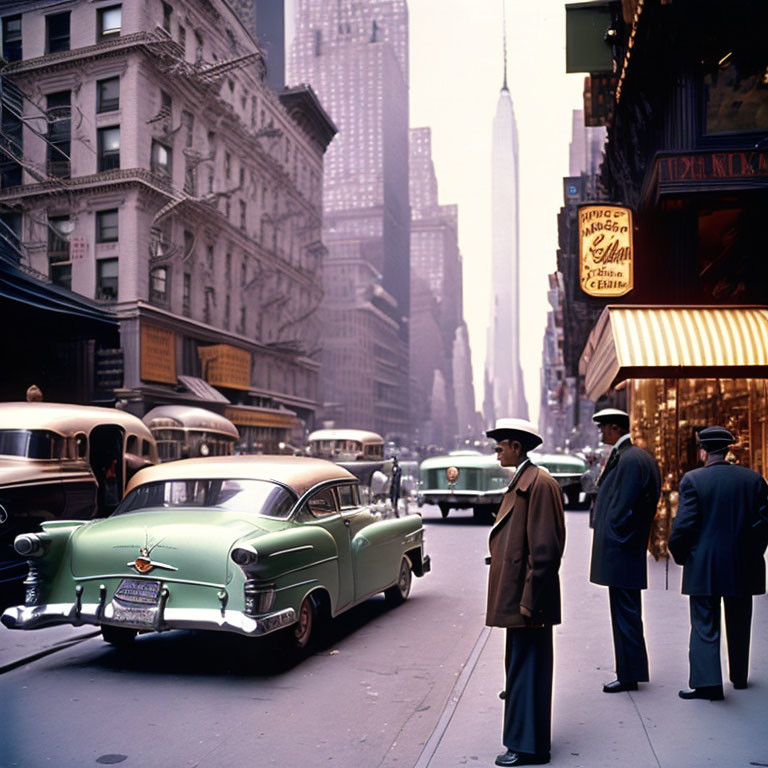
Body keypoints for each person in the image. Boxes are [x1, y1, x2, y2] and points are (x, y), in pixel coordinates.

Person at [485, 418, 566, 767]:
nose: (496, 451)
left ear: (516, 447)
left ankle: (529, 747)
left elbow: (546, 551)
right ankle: (525, 741)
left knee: (527, 670)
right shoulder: (525, 480)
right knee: (520, 668)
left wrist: (530, 600)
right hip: (521, 597)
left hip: (528, 600)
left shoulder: (540, 484)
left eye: (500, 445)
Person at [669, 426, 768, 701]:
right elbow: (763, 525)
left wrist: (680, 554)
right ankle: (739, 677)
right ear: (727, 449)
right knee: (740, 621)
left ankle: (708, 684)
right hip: (743, 563)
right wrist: (752, 553)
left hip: (704, 564)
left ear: (703, 450)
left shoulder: (693, 480)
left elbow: (684, 526)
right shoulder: (754, 479)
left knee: (704, 623)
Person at [589, 408, 660, 693]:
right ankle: (631, 671)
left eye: (604, 428)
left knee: (625, 614)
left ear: (616, 428)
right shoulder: (632, 456)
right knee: (626, 612)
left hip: (622, 550)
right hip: (624, 549)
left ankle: (629, 675)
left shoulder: (630, 459)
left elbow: (624, 506)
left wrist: (615, 534)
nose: (601, 433)